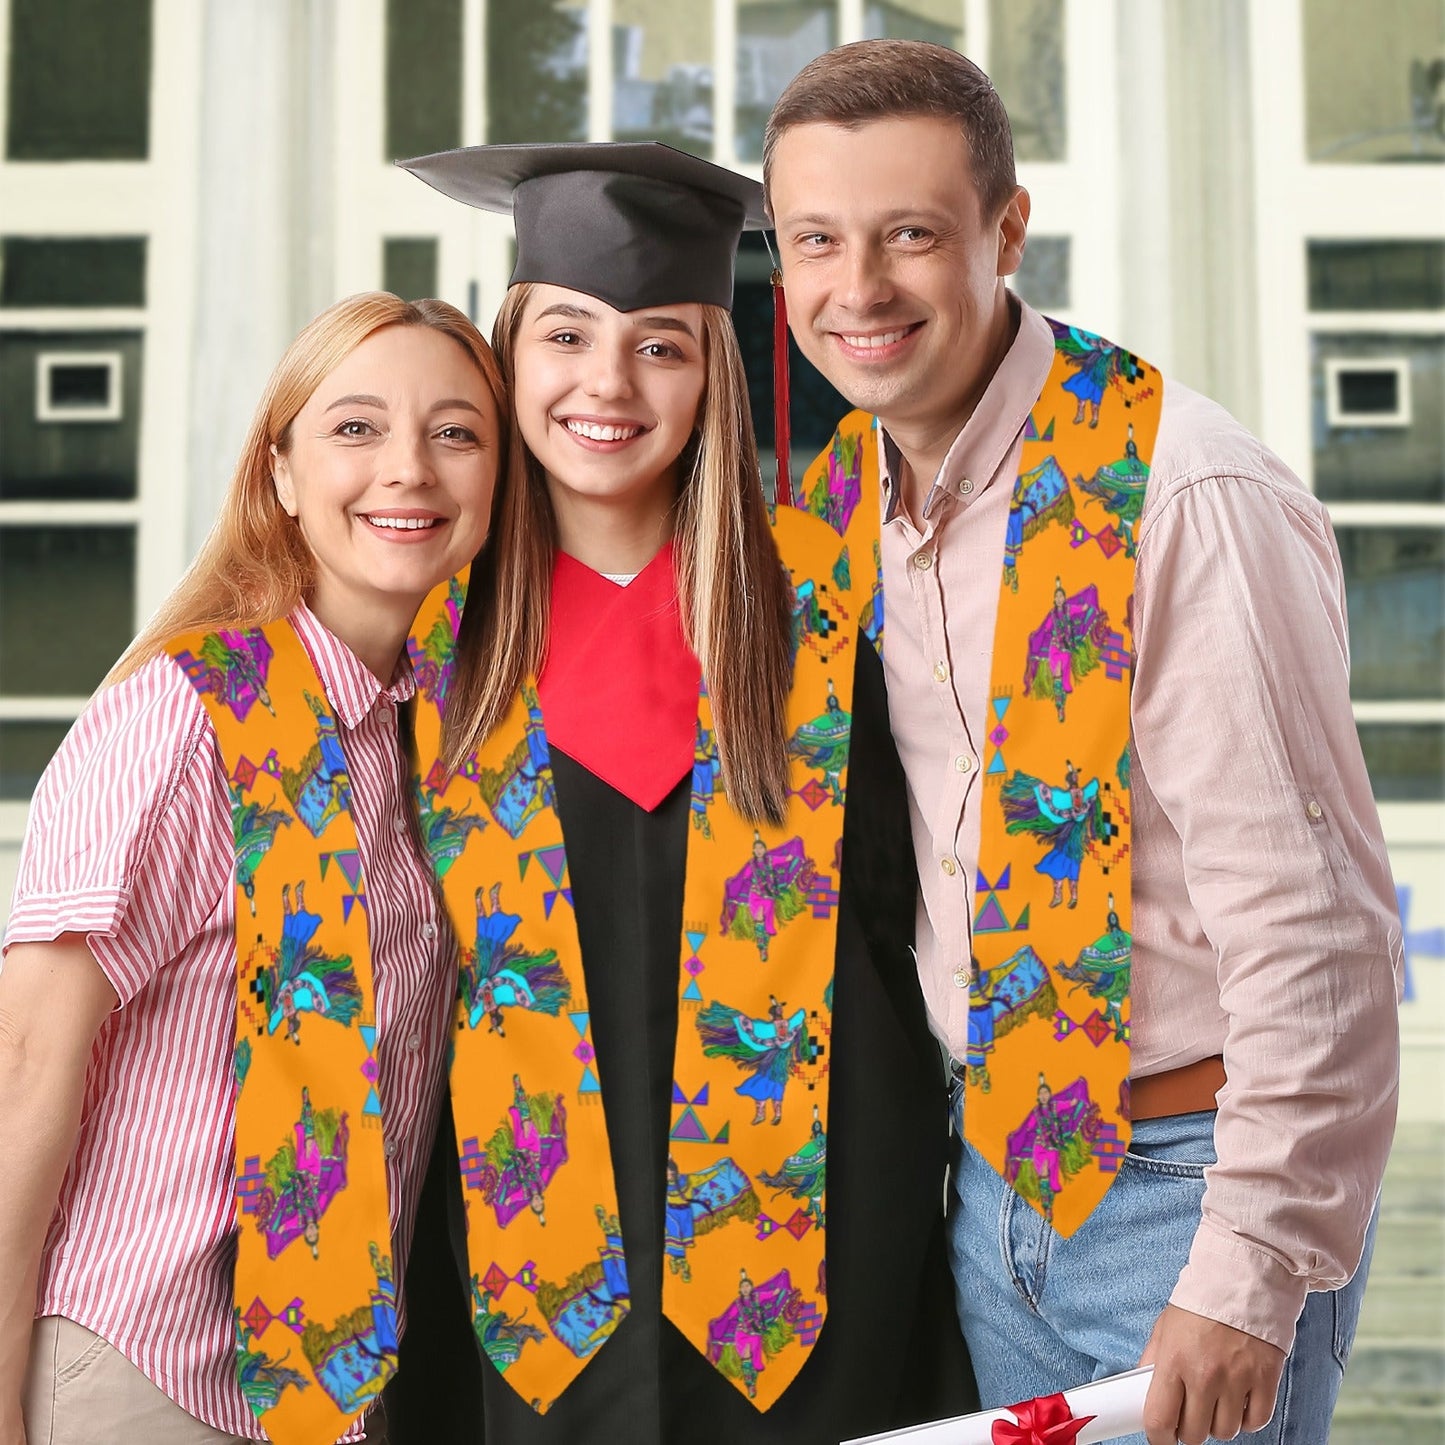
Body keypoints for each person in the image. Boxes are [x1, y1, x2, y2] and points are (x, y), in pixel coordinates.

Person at [762, 39, 1403, 1445]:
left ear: (1005, 232)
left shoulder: (1181, 496)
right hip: (993, 1181)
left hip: (1188, 1191)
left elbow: (1322, 935)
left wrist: (1247, 1273)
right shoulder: (848, 501)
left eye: (910, 235)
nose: (856, 289)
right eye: (816, 239)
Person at [382, 141, 973, 1443]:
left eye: (660, 345)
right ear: (506, 354)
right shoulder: (423, 644)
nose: (607, 383)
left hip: (814, 1275)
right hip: (514, 1287)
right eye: (568, 336)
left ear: (713, 373)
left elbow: (904, 934)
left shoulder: (829, 620)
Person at [0, 292, 506, 1445]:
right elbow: (25, 1054)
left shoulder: (425, 734)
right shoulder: (181, 718)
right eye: (356, 427)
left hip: (328, 1388)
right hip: (139, 1369)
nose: (408, 470)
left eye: (456, 432)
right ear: (278, 473)